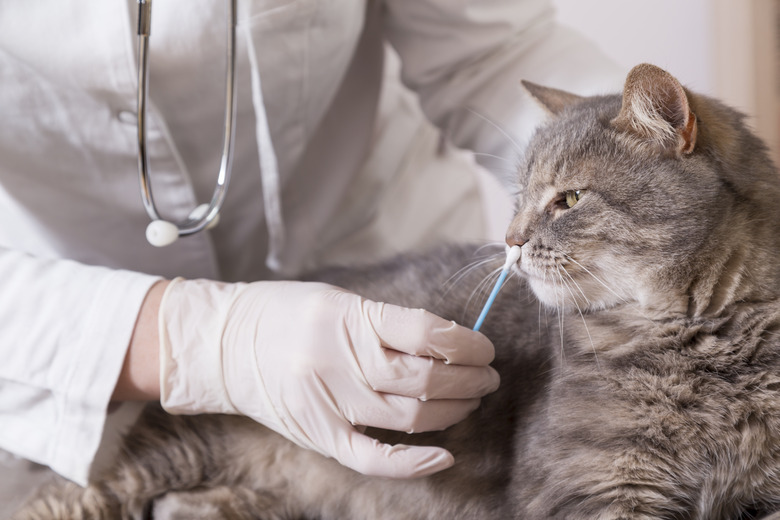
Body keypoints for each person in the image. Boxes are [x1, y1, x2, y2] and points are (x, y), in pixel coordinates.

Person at [0, 0, 624, 512]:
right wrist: (202, 340)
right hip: (58, 329)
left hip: (385, 261)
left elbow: (496, 52)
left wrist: (646, 178)